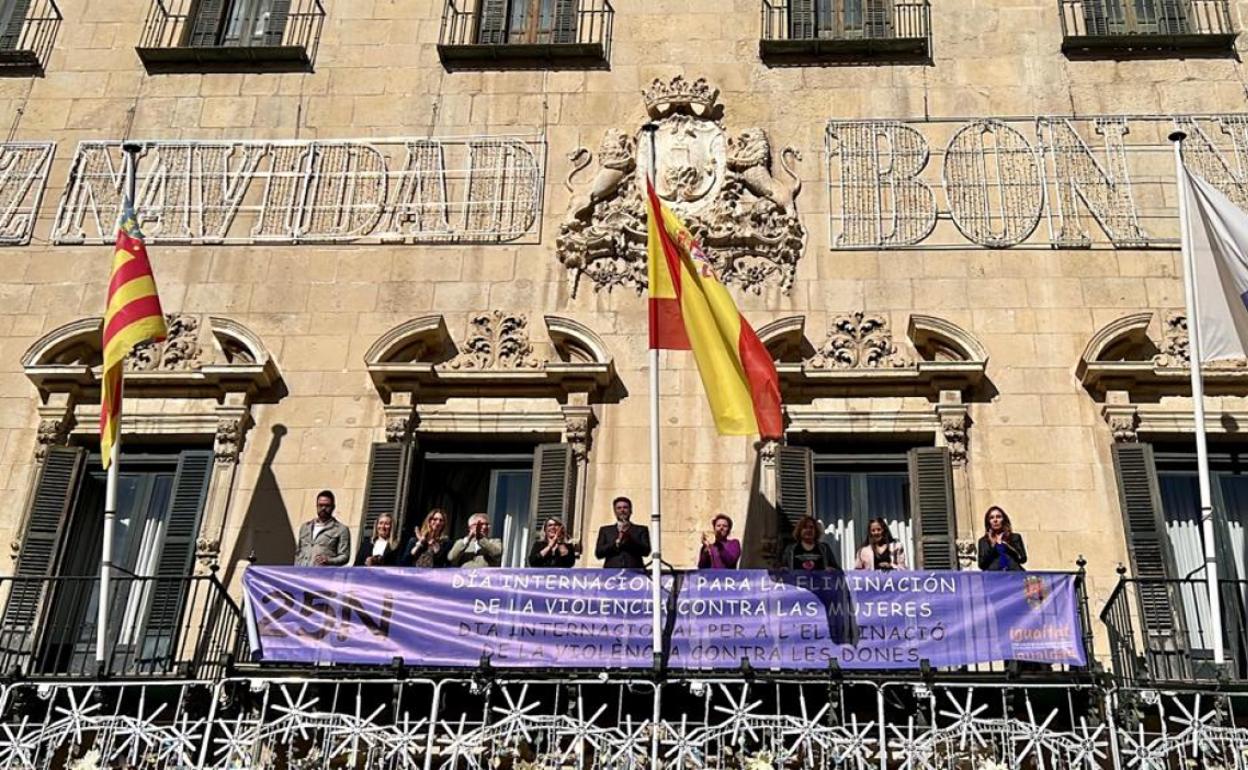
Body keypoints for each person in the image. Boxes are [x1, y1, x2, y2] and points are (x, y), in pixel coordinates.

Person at [294, 490, 351, 567]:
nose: (323, 508)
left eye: (327, 506)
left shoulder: (341, 529)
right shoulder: (305, 527)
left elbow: (344, 556)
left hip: (323, 575)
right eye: (320, 505)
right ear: (316, 506)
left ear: (333, 507)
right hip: (301, 573)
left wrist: (329, 560)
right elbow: (298, 552)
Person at [595, 496, 651, 568]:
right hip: (611, 573)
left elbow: (646, 551)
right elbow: (599, 553)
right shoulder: (605, 530)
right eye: (619, 508)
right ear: (615, 511)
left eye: (625, 507)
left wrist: (629, 539)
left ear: (631, 511)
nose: (622, 510)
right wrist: (615, 544)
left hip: (634, 573)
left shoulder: (641, 530)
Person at [977, 505, 1027, 571]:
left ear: (1004, 519)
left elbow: (1022, 559)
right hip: (994, 578)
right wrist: (993, 546)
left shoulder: (1015, 537)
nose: (995, 520)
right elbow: (982, 565)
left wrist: (1006, 545)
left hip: (1014, 576)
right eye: (991, 518)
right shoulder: (983, 541)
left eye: (998, 517)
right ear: (988, 522)